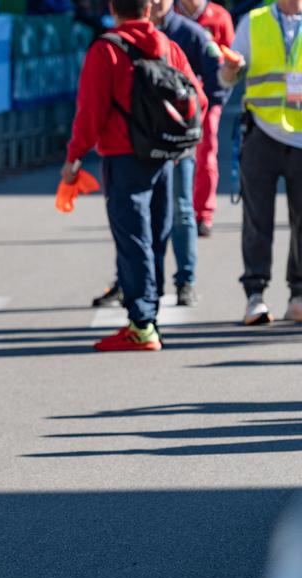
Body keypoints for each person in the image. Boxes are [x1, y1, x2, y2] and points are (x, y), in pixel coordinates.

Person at [64, 0, 206, 350]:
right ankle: (149, 318)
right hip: (164, 158)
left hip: (123, 158)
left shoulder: (107, 49)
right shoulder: (169, 47)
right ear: (148, 9)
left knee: (133, 240)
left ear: (114, 8)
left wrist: (74, 158)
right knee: (156, 237)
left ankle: (141, 325)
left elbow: (90, 111)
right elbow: (198, 99)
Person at [219, 0, 302, 324]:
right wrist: (229, 70)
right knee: (257, 219)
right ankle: (255, 295)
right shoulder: (252, 22)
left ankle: (298, 295)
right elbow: (227, 78)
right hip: (262, 133)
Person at [154, 0, 223, 306]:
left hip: (179, 142)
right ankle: (140, 281)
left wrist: (191, 122)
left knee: (182, 212)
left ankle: (185, 280)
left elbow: (214, 85)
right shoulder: (125, 37)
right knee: (139, 216)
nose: (155, 2)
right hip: (139, 144)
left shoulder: (191, 34)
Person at [176, 0, 235, 238]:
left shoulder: (219, 17)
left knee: (206, 151)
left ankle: (203, 214)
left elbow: (232, 63)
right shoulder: (169, 13)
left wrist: (219, 96)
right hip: (174, 100)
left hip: (208, 99)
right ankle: (178, 209)